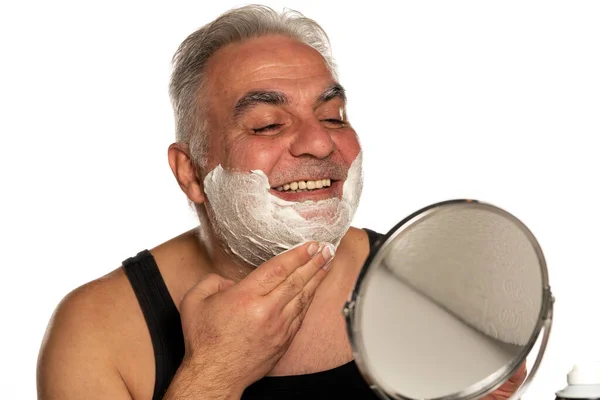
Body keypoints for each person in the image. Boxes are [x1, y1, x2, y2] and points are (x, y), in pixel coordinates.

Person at [36, 5, 526, 400]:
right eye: (268, 124)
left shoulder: (433, 288)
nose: (319, 143)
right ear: (191, 173)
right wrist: (215, 373)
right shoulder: (95, 333)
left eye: (334, 116)